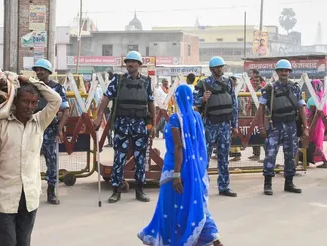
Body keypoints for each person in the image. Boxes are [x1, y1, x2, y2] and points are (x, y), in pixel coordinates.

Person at [138, 85, 224, 246]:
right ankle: (214, 237)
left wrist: (177, 174)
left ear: (176, 99)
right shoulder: (197, 117)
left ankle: (168, 239)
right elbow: (199, 144)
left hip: (174, 170)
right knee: (195, 203)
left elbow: (179, 147)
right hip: (194, 170)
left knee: (169, 207)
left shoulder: (175, 119)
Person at [0, 76, 61, 246]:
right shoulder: (0, 125)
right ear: (15, 102)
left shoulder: (39, 122)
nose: (29, 106)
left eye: (34, 103)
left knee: (23, 242)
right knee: (7, 242)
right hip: (4, 196)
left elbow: (55, 100)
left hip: (29, 196)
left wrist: (30, 81)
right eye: (25, 101)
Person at [93, 51, 157, 203]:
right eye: (128, 61)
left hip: (140, 124)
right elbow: (106, 98)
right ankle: (116, 190)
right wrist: (98, 116)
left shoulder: (147, 82)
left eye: (134, 62)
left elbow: (151, 103)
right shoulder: (118, 80)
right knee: (119, 157)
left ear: (139, 65)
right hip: (122, 123)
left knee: (141, 158)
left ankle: (140, 190)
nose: (130, 64)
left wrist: (153, 124)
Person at [253, 59, 308, 196]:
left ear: (289, 72)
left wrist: (305, 127)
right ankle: (267, 184)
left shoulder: (295, 88)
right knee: (270, 155)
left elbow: (301, 108)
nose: (284, 73)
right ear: (277, 72)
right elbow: (261, 108)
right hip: (274, 125)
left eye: (286, 70)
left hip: (291, 125)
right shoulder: (269, 89)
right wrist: (261, 126)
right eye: (281, 70)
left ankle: (289, 182)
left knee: (291, 155)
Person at [193, 56, 238, 197]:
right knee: (204, 157)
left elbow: (234, 105)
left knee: (224, 157)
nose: (220, 69)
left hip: (225, 125)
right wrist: (202, 99)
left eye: (222, 67)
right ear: (212, 69)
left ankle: (224, 186)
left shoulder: (229, 83)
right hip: (210, 125)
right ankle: (201, 186)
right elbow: (192, 101)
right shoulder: (203, 84)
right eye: (218, 67)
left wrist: (234, 125)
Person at [32, 59, 70, 205]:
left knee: (52, 163)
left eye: (42, 70)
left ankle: (51, 192)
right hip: (33, 126)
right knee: (30, 160)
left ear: (48, 72)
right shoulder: (32, 86)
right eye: (37, 70)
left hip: (50, 129)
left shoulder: (57, 88)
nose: (39, 72)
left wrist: (59, 129)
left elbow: (65, 110)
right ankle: (32, 191)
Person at [306, 79, 327, 168]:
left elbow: (313, 115)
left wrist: (310, 127)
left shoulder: (313, 99)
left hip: (313, 125)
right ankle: (307, 160)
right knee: (314, 143)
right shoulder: (322, 98)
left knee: (313, 144)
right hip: (320, 125)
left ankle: (325, 160)